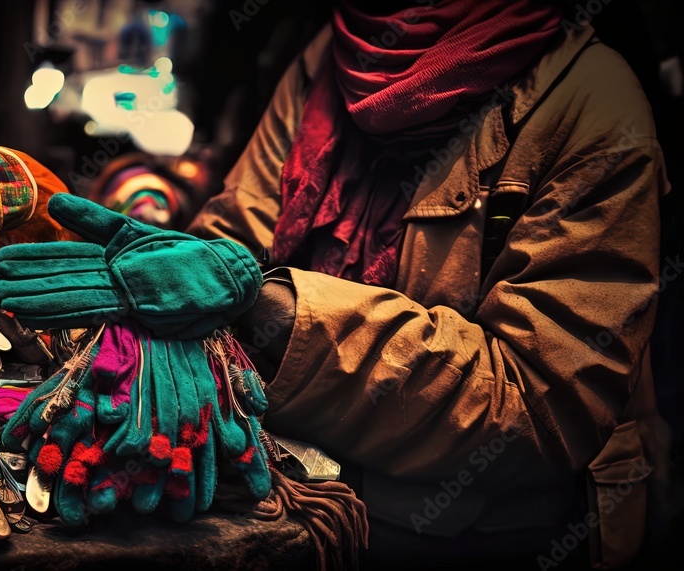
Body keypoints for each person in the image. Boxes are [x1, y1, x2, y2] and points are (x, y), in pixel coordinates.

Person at [186, 0, 670, 567]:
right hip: (300, 514)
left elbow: (543, 407)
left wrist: (284, 313)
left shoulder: (592, 99)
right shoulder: (335, 55)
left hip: (484, 542)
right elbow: (234, 238)